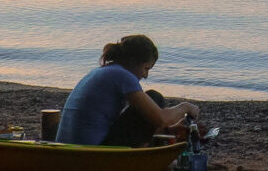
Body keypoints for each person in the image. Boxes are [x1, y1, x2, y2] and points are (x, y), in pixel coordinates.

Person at [57, 34, 201, 146]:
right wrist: (185, 107)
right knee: (154, 97)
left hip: (72, 146)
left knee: (150, 104)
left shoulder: (105, 71)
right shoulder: (123, 76)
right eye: (146, 68)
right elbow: (160, 119)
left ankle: (155, 141)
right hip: (92, 151)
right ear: (132, 61)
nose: (145, 75)